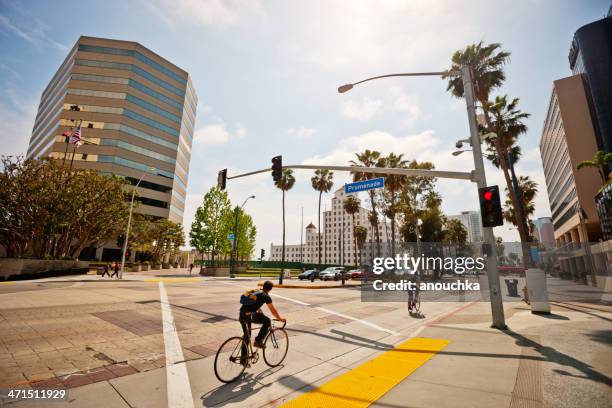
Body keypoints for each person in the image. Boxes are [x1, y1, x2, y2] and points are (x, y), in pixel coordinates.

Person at [239, 281, 285, 352]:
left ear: (263, 286)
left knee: (247, 335)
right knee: (267, 321)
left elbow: (255, 305)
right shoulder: (266, 296)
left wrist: (261, 313)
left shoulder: (257, 292)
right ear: (270, 289)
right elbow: (273, 310)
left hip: (242, 313)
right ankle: (258, 341)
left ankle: (244, 358)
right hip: (249, 316)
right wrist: (279, 318)